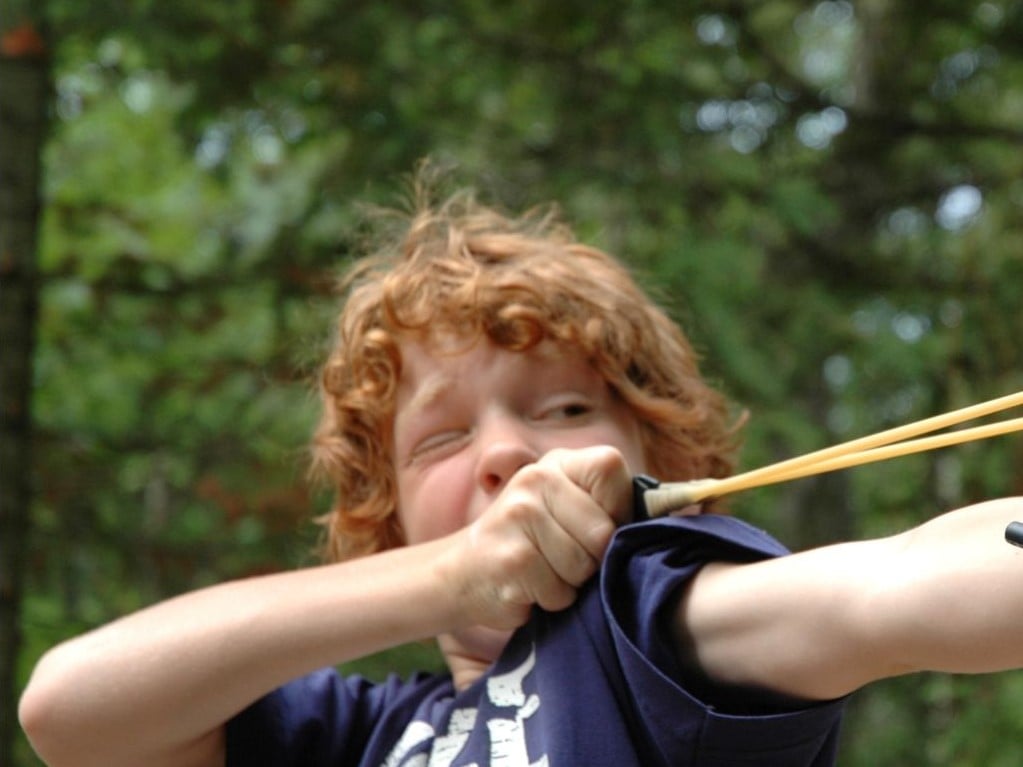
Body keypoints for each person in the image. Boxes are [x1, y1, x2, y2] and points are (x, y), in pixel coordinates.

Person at [18, 175, 1023, 767]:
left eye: (568, 410)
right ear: (388, 524)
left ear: (662, 467)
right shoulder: (348, 734)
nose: (505, 450)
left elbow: (899, 586)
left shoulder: (656, 630)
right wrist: (447, 578)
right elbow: (66, 711)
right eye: (440, 440)